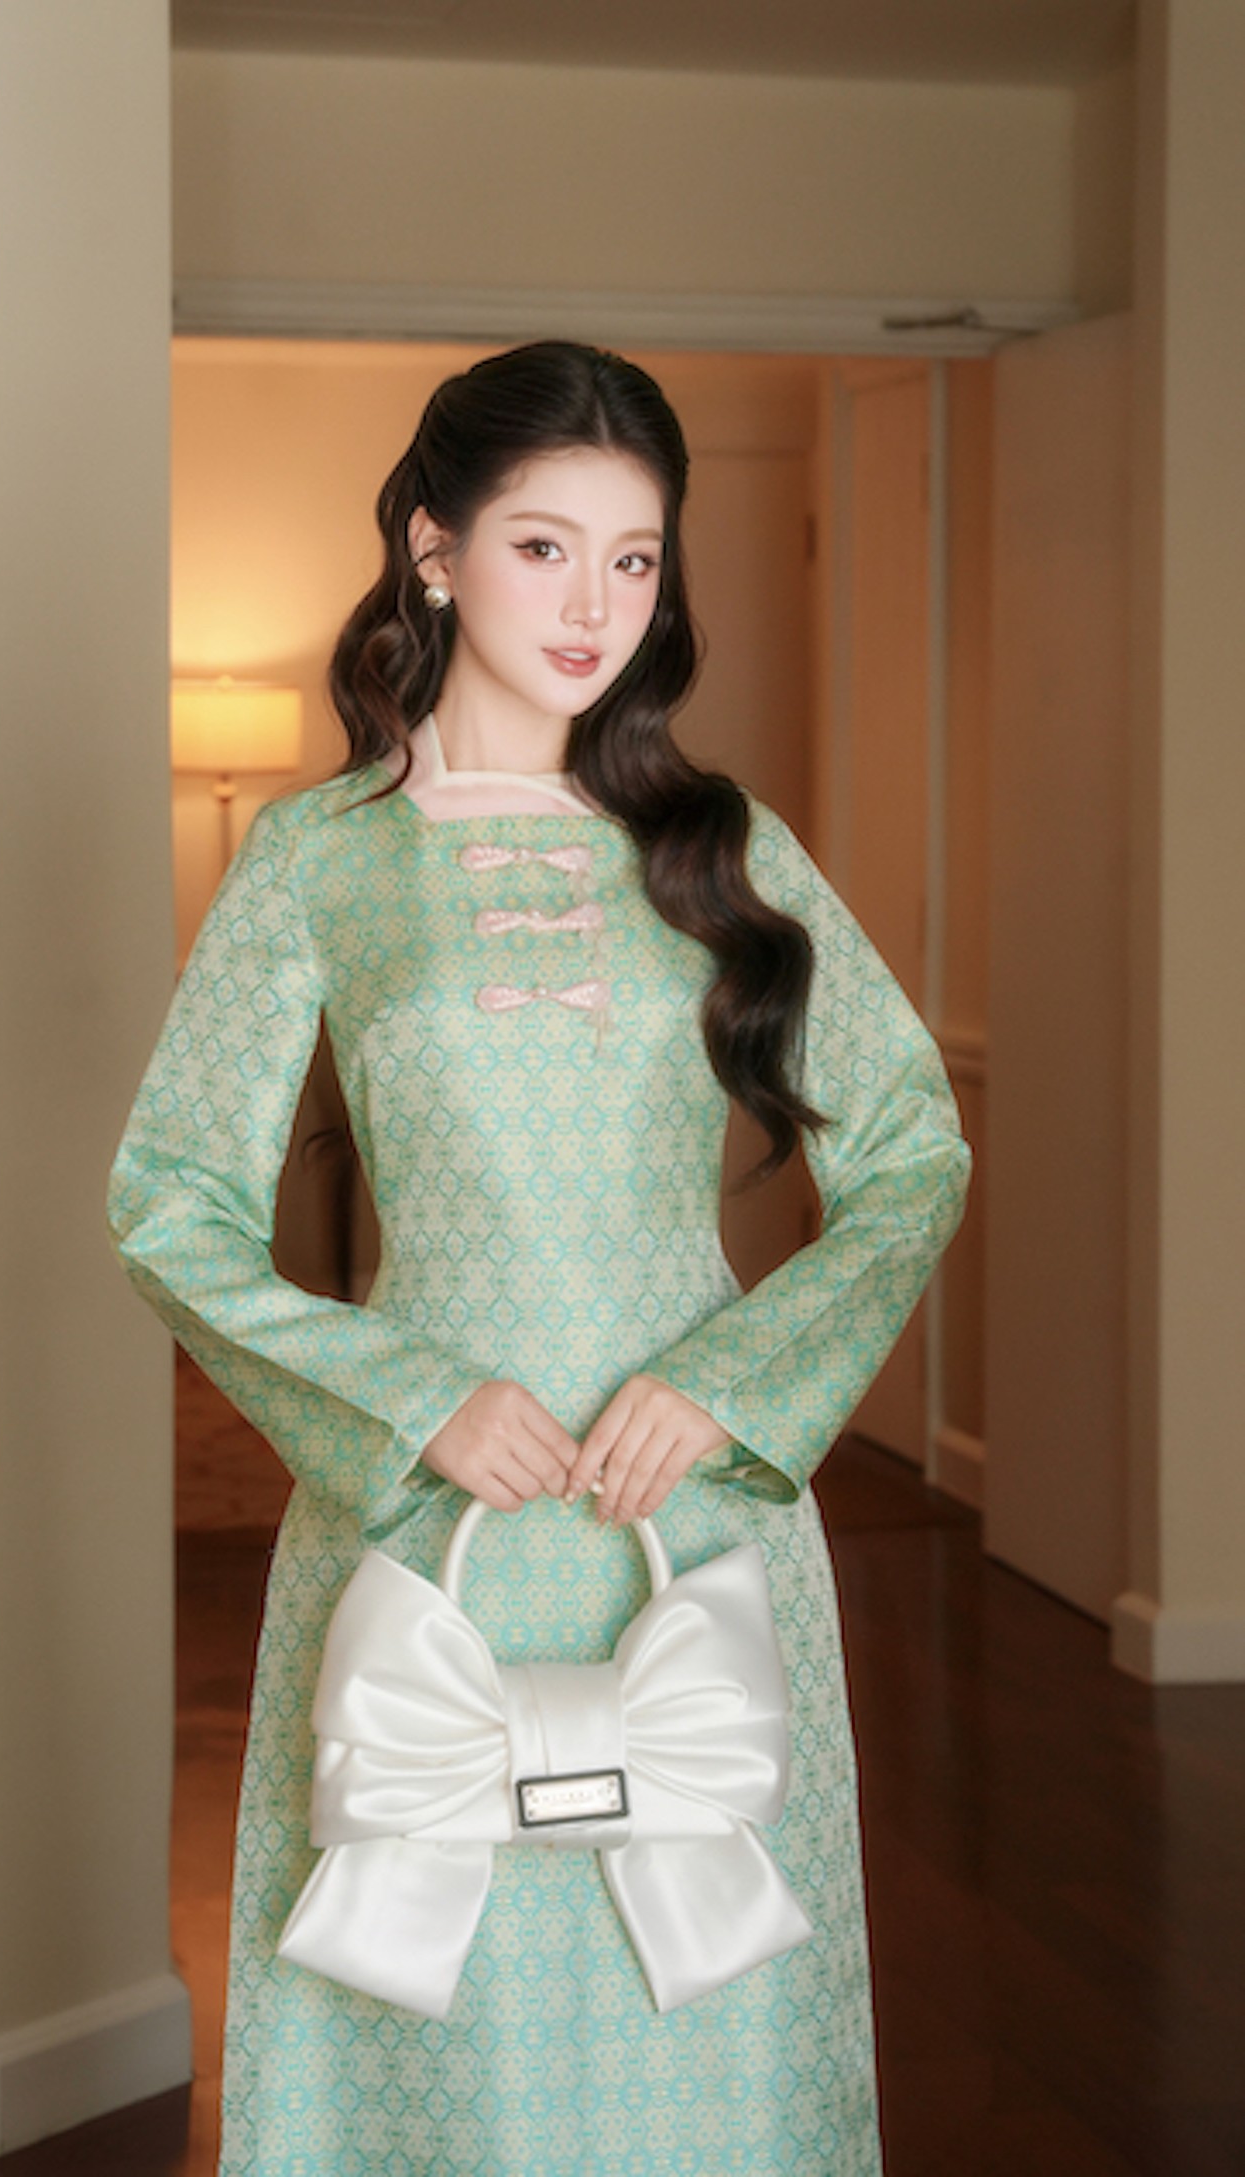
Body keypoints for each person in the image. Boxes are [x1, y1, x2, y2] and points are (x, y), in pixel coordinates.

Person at [108, 340, 971, 2176]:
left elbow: (912, 1153)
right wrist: (412, 1399)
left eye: (633, 558)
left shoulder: (721, 851)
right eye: (543, 547)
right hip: (427, 1512)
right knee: (442, 2029)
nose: (595, 606)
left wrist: (725, 1385)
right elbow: (167, 1201)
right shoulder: (317, 860)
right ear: (433, 551)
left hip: (693, 1515)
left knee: (702, 2023)